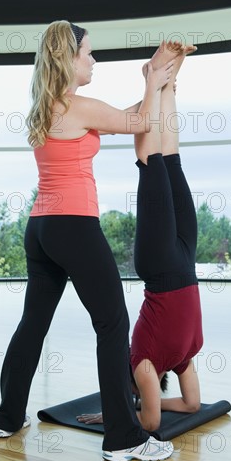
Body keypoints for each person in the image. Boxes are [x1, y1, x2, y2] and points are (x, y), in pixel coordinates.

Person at [0, 20, 175, 461]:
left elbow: (129, 115)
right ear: (68, 58)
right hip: (73, 225)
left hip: (41, 229)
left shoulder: (46, 105)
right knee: (112, 323)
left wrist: (158, 82)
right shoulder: (77, 105)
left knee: (32, 324)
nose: (94, 60)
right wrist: (152, 81)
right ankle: (123, 438)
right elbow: (140, 121)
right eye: (88, 52)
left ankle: (7, 416)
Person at [77, 40, 203, 432]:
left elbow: (191, 403)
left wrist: (148, 400)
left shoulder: (183, 357)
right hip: (165, 265)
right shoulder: (143, 367)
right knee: (156, 165)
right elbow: (150, 421)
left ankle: (163, 83)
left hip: (184, 263)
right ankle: (159, 82)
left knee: (169, 163)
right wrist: (124, 410)